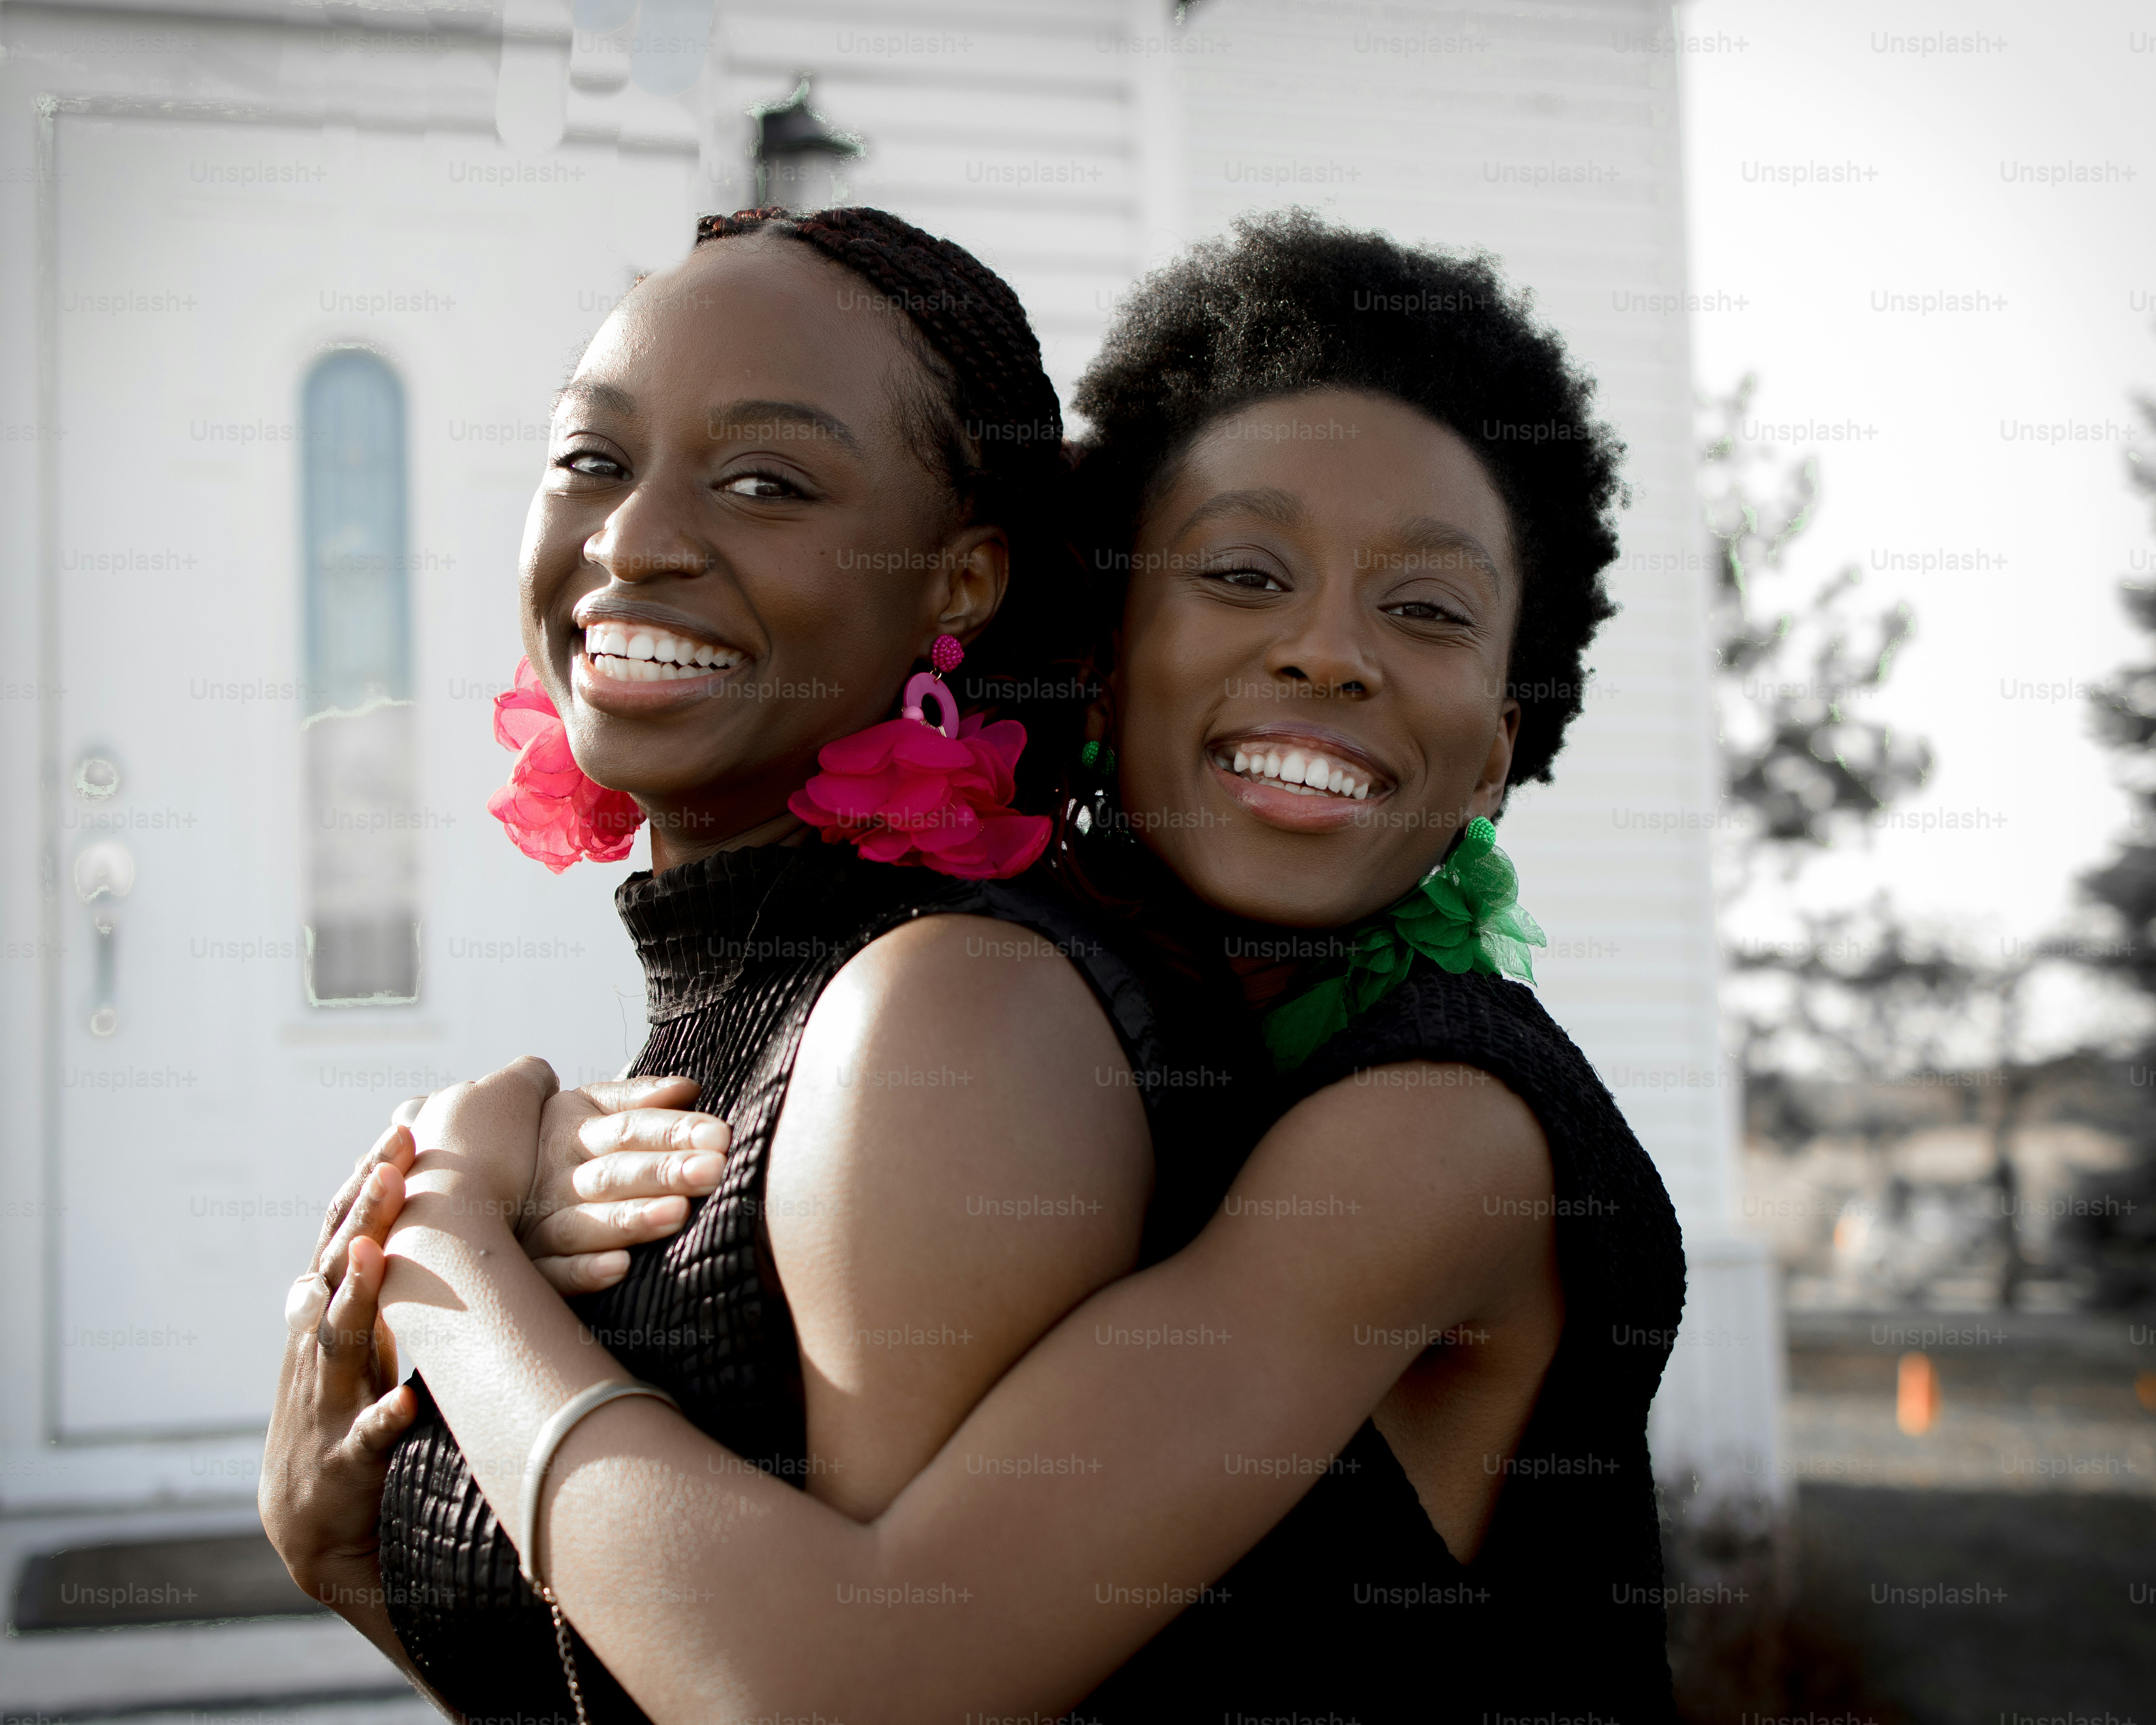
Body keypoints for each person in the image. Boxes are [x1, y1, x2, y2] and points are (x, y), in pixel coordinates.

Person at [272, 211, 1685, 1721]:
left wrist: (446, 1255)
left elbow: (865, 1684)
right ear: (1101, 647)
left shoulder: (1431, 1126)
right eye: (1242, 572)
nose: (1327, 651)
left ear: (1497, 755)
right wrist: (348, 1554)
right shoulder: (1054, 1000)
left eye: (1424, 609)